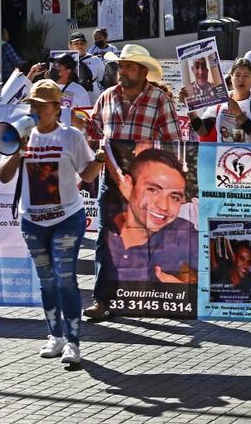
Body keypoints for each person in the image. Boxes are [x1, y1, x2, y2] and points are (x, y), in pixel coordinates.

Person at [0, 80, 106, 366]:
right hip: (32, 221)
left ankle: (73, 342)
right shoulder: (20, 133)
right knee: (46, 282)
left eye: (41, 106)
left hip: (67, 219)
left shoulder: (70, 136)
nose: (35, 110)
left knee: (65, 279)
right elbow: (4, 176)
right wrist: (17, 151)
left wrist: (100, 159)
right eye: (32, 104)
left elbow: (88, 174)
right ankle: (54, 336)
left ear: (57, 109)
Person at [81, 44, 181, 321]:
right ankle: (102, 299)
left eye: (127, 66)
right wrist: (92, 141)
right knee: (105, 238)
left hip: (144, 185)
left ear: (143, 71)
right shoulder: (106, 97)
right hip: (111, 180)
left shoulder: (159, 100)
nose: (121, 71)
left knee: (148, 237)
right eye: (121, 66)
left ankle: (148, 295)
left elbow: (175, 142)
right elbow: (94, 128)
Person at [101, 148, 198, 286]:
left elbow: (217, 278)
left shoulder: (183, 234)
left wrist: (191, 286)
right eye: (153, 190)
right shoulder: (107, 230)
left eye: (174, 197)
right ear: (128, 185)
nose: (164, 206)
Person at [187, 58, 251, 143]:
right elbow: (202, 131)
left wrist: (239, 114)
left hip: (248, 155)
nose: (241, 79)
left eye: (246, 76)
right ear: (231, 77)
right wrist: (189, 105)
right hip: (223, 155)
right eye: (237, 75)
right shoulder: (221, 98)